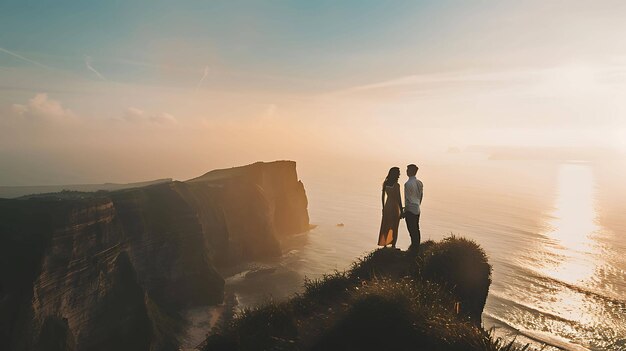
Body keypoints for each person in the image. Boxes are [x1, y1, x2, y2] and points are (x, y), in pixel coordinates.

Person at [378, 167, 403, 248]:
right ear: (395, 174)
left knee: (386, 225)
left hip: (387, 206)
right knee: (394, 227)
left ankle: (384, 244)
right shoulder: (396, 185)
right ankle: (393, 245)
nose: (399, 175)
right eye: (398, 173)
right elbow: (398, 198)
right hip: (395, 207)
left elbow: (382, 197)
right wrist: (402, 210)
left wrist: (383, 208)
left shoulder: (385, 183)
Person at [404, 164, 423, 250]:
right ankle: (416, 246)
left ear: (411, 171)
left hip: (410, 209)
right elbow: (421, 196)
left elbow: (407, 199)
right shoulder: (419, 183)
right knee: (416, 228)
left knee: (411, 230)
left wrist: (405, 211)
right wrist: (418, 204)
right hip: (417, 208)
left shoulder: (407, 184)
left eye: (408, 170)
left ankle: (414, 247)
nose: (406, 171)